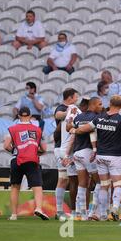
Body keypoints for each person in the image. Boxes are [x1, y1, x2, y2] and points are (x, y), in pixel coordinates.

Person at [70, 95, 121, 221]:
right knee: (119, 184)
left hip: (100, 156)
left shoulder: (100, 118)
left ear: (110, 103)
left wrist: (73, 130)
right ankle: (114, 208)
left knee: (104, 185)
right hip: (114, 156)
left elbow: (84, 129)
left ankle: (102, 214)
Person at [4, 107, 49, 221]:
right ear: (30, 116)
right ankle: (38, 208)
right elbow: (44, 148)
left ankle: (14, 214)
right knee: (37, 187)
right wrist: (36, 151)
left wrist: (14, 150)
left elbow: (6, 145)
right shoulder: (37, 129)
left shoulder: (12, 129)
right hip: (32, 159)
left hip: (17, 159)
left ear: (18, 116)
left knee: (15, 187)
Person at [71, 97, 103, 221]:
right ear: (93, 105)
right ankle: (92, 212)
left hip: (77, 152)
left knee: (82, 184)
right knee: (100, 182)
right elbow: (93, 134)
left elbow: (70, 127)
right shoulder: (95, 118)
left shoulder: (78, 117)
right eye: (99, 104)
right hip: (88, 152)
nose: (101, 107)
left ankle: (80, 213)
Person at [52, 88, 79, 220]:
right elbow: (58, 115)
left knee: (64, 179)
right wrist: (70, 111)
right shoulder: (62, 107)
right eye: (76, 97)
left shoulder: (72, 109)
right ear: (70, 97)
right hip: (62, 148)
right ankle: (60, 211)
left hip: (63, 148)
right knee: (66, 179)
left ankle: (59, 210)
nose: (77, 100)